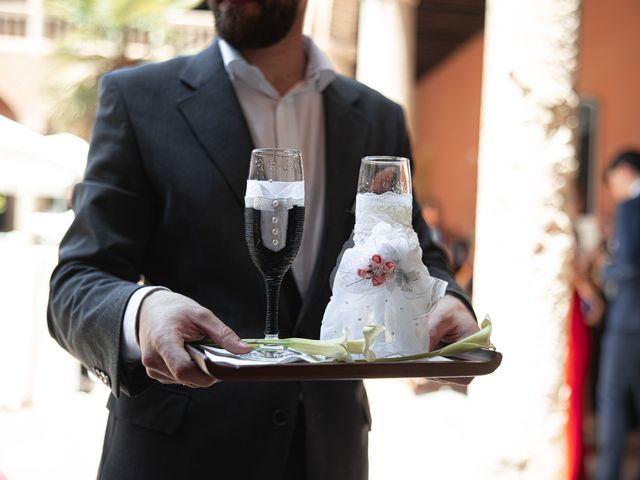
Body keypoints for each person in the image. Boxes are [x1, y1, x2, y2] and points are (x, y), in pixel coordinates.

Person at [47, 1, 478, 478]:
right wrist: (143, 311)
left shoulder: (378, 117)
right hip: (178, 457)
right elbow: (77, 282)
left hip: (328, 455)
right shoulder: (137, 99)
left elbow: (418, 253)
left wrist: (447, 300)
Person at [595, 150, 640, 480]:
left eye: (612, 183)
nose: (613, 191)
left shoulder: (629, 208)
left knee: (612, 403)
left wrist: (604, 267)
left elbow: (626, 265)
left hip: (628, 321)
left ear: (624, 171)